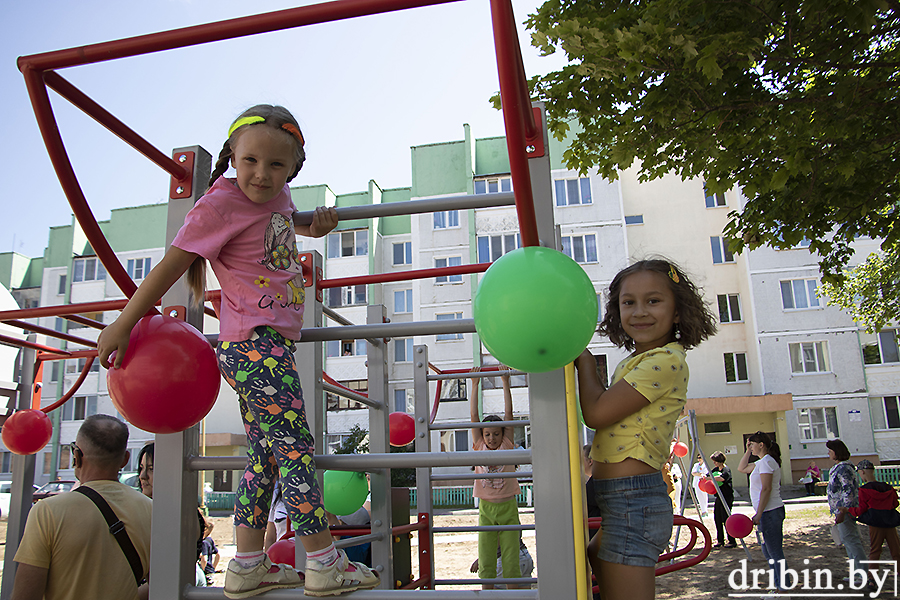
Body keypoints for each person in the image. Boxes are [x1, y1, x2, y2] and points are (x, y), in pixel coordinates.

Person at [97, 105, 377, 599]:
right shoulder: (220, 202)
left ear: (293, 168)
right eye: (250, 161)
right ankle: (325, 562)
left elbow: (278, 227)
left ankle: (248, 563)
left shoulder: (278, 197)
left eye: (275, 166)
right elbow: (171, 265)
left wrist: (315, 225)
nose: (261, 175)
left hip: (265, 347)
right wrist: (125, 322)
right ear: (232, 156)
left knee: (266, 457)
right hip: (257, 346)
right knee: (295, 451)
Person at [575, 259, 717, 600]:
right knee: (595, 557)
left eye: (653, 301)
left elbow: (596, 412)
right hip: (619, 496)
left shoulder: (665, 361)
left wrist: (583, 360)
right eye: (629, 302)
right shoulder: (635, 360)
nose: (640, 312)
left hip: (633, 497)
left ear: (678, 311)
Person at [12, 415, 152, 600]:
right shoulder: (151, 511)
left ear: (76, 456)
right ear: (125, 459)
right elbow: (160, 583)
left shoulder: (47, 512)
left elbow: (26, 594)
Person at [469, 366, 522, 589]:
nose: (491, 438)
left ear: (503, 434)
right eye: (487, 434)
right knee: (487, 557)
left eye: (496, 434)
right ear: (482, 435)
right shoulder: (479, 445)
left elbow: (509, 415)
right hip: (486, 508)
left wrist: (505, 382)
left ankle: (514, 594)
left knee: (511, 558)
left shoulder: (507, 445)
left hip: (508, 505)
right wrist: (474, 384)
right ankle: (487, 592)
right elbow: (474, 416)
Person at [738, 432, 786, 592]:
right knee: (768, 551)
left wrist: (759, 513)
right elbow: (742, 468)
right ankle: (778, 586)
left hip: (770, 511)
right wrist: (746, 451)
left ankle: (782, 588)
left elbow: (766, 488)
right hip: (767, 512)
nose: (750, 447)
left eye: (752, 444)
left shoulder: (766, 462)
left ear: (761, 445)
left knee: (774, 552)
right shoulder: (760, 463)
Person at [845, 459, 900, 564]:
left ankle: (872, 578)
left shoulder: (864, 490)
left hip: (875, 523)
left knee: (875, 550)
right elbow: (895, 504)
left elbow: (862, 509)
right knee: (896, 549)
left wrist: (849, 510)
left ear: (862, 472)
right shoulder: (888, 487)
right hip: (890, 521)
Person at [826, 439, 868, 570]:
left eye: (830, 450)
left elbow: (848, 490)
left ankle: (862, 572)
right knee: (847, 540)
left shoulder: (844, 468)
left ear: (837, 452)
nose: (828, 453)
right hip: (841, 510)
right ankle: (857, 572)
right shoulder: (839, 467)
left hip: (845, 511)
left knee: (851, 540)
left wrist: (843, 511)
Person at [709, 451, 736, 548]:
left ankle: (732, 540)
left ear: (720, 461)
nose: (714, 463)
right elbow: (708, 475)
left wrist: (710, 478)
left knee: (726, 518)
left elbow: (722, 478)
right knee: (717, 518)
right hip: (718, 497)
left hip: (726, 496)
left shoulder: (726, 469)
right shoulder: (715, 469)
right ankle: (720, 540)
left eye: (715, 461)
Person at [200, 520, 221, 586]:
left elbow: (204, 559)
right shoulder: (209, 540)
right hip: (210, 571)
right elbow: (218, 555)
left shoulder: (203, 543)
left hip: (205, 572)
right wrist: (213, 567)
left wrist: (202, 570)